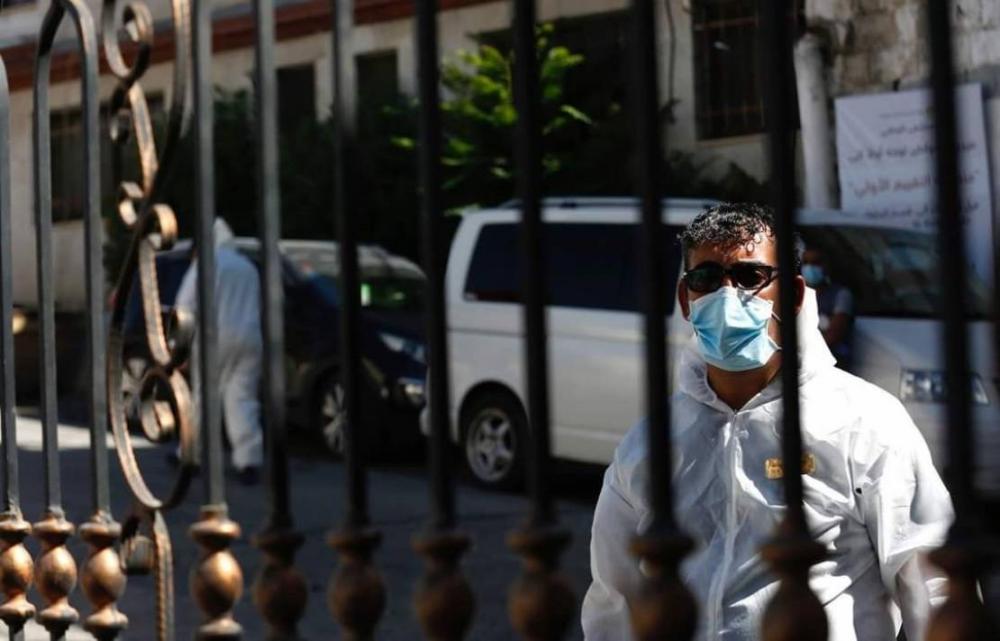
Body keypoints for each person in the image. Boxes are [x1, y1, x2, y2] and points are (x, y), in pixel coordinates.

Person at [581, 203, 952, 641]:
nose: (726, 296)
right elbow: (614, 601)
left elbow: (932, 581)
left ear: (793, 295)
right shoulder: (650, 443)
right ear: (685, 299)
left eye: (749, 277)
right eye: (706, 279)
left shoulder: (864, 421)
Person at [175, 218, 264, 485]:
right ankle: (248, 460)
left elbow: (185, 306)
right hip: (250, 338)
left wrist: (179, 347)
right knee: (242, 399)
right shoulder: (248, 267)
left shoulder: (206, 264)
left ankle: (191, 455)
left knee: (204, 397)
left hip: (214, 338)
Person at [802, 245, 854, 369]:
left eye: (816, 263)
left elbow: (834, 334)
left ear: (827, 266)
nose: (810, 267)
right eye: (806, 262)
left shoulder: (840, 295)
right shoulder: (796, 295)